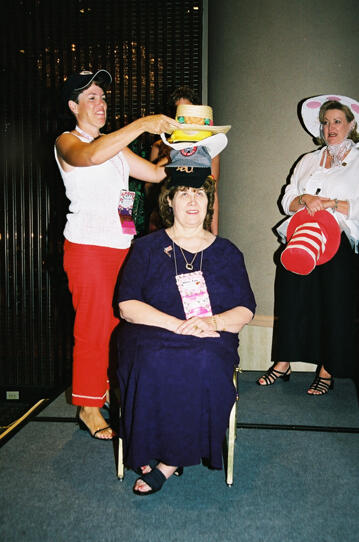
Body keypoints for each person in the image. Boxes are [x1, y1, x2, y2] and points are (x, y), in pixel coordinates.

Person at [116, 137, 255, 495]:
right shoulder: (145, 248)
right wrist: (177, 325)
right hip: (152, 329)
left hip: (211, 334)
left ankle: (168, 461)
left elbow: (245, 309)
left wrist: (212, 323)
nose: (193, 201)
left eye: (200, 194)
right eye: (183, 194)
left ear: (209, 203)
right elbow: (127, 306)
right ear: (169, 202)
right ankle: (149, 444)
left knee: (204, 359)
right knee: (149, 358)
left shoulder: (228, 252)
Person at [54, 69, 180, 439]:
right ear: (73, 106)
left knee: (118, 323)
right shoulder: (67, 141)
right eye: (90, 97)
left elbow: (156, 175)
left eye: (103, 96)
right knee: (92, 327)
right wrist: (143, 123)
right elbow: (90, 156)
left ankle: (105, 389)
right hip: (88, 249)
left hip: (121, 247)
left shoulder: (115, 146)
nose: (100, 103)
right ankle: (87, 406)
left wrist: (190, 148)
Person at [257, 94, 359, 394]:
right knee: (291, 296)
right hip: (301, 237)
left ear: (351, 125)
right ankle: (283, 362)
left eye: (337, 121)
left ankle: (328, 368)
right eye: (326, 122)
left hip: (338, 240)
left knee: (334, 303)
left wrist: (332, 204)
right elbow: (287, 198)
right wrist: (305, 199)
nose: (330, 127)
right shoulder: (308, 160)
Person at [147, 86, 221, 234]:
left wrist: (215, 234)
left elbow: (212, 191)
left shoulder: (208, 148)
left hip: (194, 220)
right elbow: (149, 187)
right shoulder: (159, 146)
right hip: (163, 218)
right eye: (181, 115)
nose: (186, 120)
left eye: (190, 113)